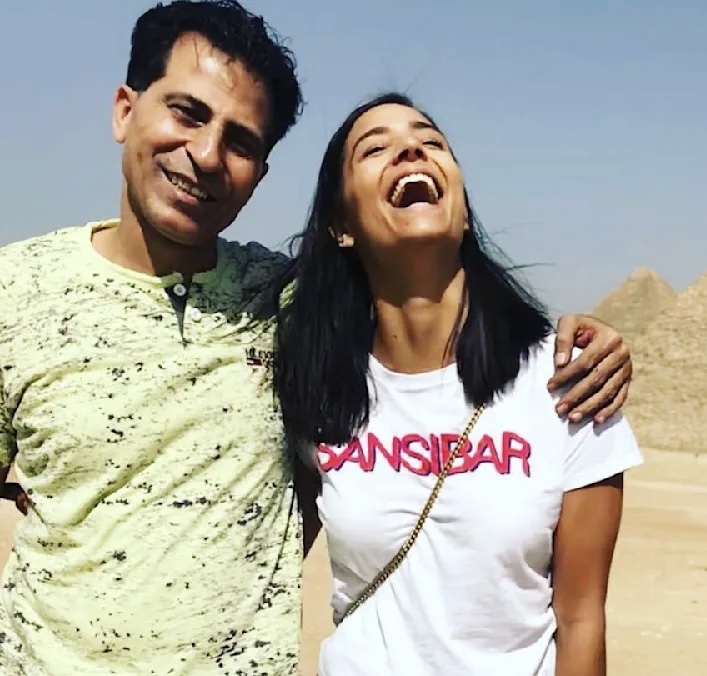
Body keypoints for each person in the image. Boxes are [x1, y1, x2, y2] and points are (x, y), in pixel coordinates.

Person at [0, 1, 634, 674]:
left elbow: (410, 289)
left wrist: (594, 341)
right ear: (125, 111)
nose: (207, 155)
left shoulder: (283, 307)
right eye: (186, 113)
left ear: (259, 173)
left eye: (241, 142)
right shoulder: (15, 294)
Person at [274, 92, 644, 676]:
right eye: (375, 149)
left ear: (464, 211)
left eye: (431, 141)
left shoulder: (569, 382)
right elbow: (260, 568)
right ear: (341, 227)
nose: (410, 151)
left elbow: (581, 620)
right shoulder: (315, 388)